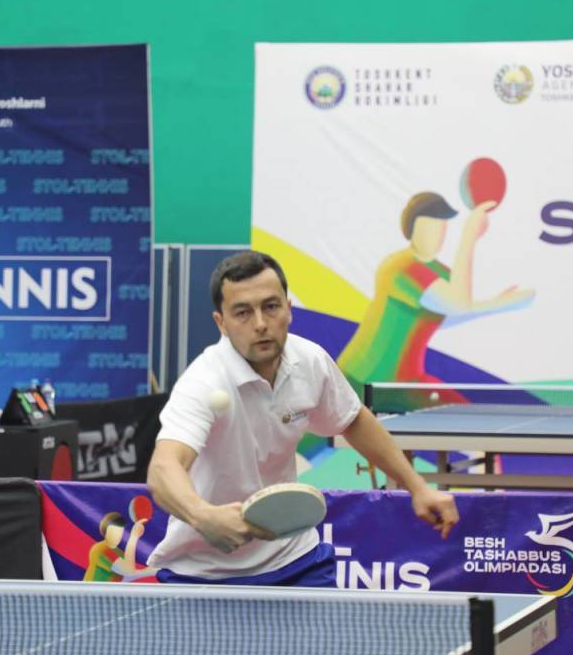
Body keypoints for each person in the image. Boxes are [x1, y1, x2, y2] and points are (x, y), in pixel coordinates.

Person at [146, 251, 460, 586]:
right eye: (242, 312)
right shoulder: (204, 382)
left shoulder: (309, 361)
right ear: (221, 323)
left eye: (270, 306)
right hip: (204, 572)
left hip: (293, 556)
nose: (260, 323)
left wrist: (417, 487)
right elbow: (164, 468)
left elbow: (354, 420)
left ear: (289, 309)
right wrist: (203, 516)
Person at [337, 192, 533, 405]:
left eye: (441, 227)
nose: (436, 234)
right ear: (411, 229)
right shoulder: (400, 267)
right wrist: (469, 237)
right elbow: (460, 305)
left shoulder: (441, 273)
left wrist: (500, 303)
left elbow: (447, 315)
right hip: (362, 381)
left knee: (465, 417)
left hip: (407, 383)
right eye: (428, 227)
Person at [83, 511, 157, 582]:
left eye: (120, 531)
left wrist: (152, 571)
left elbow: (129, 575)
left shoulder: (118, 553)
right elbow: (129, 571)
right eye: (113, 531)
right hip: (92, 590)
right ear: (105, 530)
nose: (117, 534)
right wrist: (134, 537)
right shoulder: (101, 549)